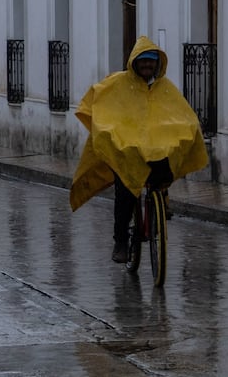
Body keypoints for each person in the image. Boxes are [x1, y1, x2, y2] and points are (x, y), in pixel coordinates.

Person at [69, 36, 209, 263]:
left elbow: (180, 114)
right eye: (143, 61)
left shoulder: (165, 88)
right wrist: (110, 134)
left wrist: (189, 128)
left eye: (151, 61)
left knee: (165, 171)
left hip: (155, 150)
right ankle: (121, 241)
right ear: (134, 62)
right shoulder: (117, 83)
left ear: (157, 64)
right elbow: (100, 104)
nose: (147, 65)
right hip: (125, 152)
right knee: (125, 192)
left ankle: (161, 203)